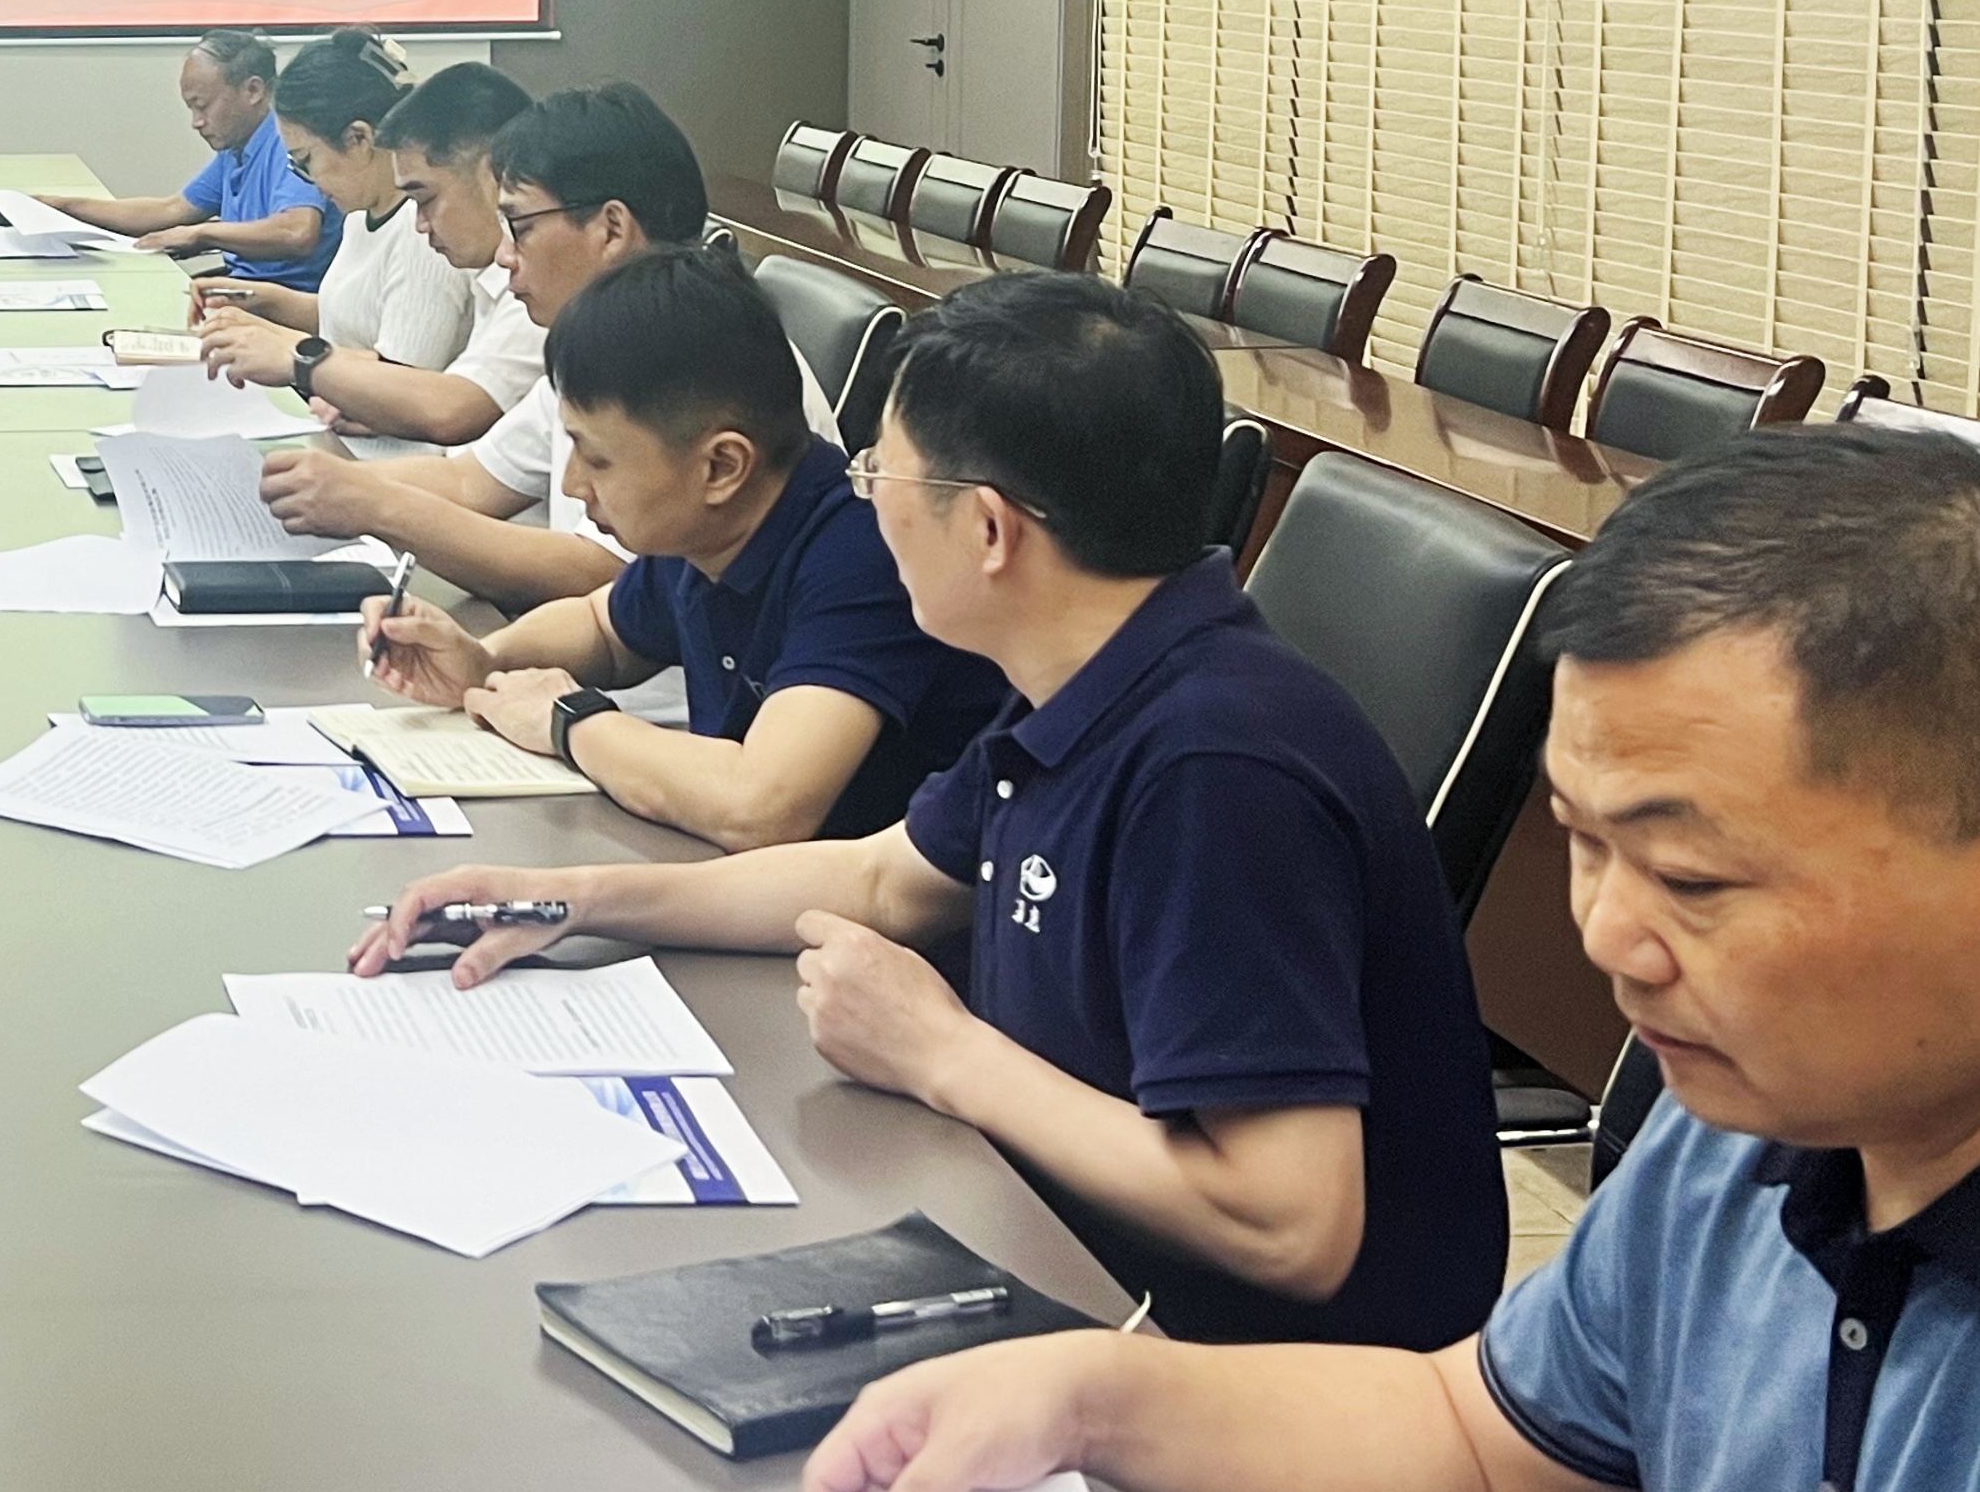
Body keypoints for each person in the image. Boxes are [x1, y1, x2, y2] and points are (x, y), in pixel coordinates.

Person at [795, 425, 1980, 1492]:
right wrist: (1092, 1397)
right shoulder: (1737, 1139)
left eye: (1689, 876)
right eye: (1583, 840)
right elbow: (1475, 1447)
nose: (1606, 934)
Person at [355, 270, 1507, 1364]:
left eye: (883, 477)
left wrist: (941, 1051)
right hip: (1061, 1257)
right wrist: (578, 899)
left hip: (1245, 1381)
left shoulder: (1213, 770)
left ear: (990, 531)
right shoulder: (1080, 678)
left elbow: (1291, 1224)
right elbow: (877, 878)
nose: (864, 501)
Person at [363, 247, 1011, 849]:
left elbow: (763, 805)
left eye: (597, 459)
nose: (572, 484)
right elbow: (604, 629)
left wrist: (568, 720)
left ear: (721, 467)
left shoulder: (859, 556)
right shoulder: (706, 531)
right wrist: (484, 660)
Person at [260, 82, 777, 611]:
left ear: (611, 229)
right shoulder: (598, 338)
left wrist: (377, 506)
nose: (505, 255)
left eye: (520, 227)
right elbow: (471, 481)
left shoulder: (688, 352)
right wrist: (302, 487)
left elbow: (601, 574)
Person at [199, 47, 536, 443]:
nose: (421, 223)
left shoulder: (517, 284)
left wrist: (296, 355)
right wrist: (263, 308)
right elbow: (353, 322)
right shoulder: (366, 218)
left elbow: (426, 396)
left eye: (305, 161)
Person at [39, 28, 336, 289]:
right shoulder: (237, 148)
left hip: (282, 300)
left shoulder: (287, 142)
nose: (196, 122)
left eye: (202, 106)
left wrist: (202, 234)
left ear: (253, 90)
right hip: (242, 286)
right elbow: (172, 209)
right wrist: (65, 206)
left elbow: (297, 231)